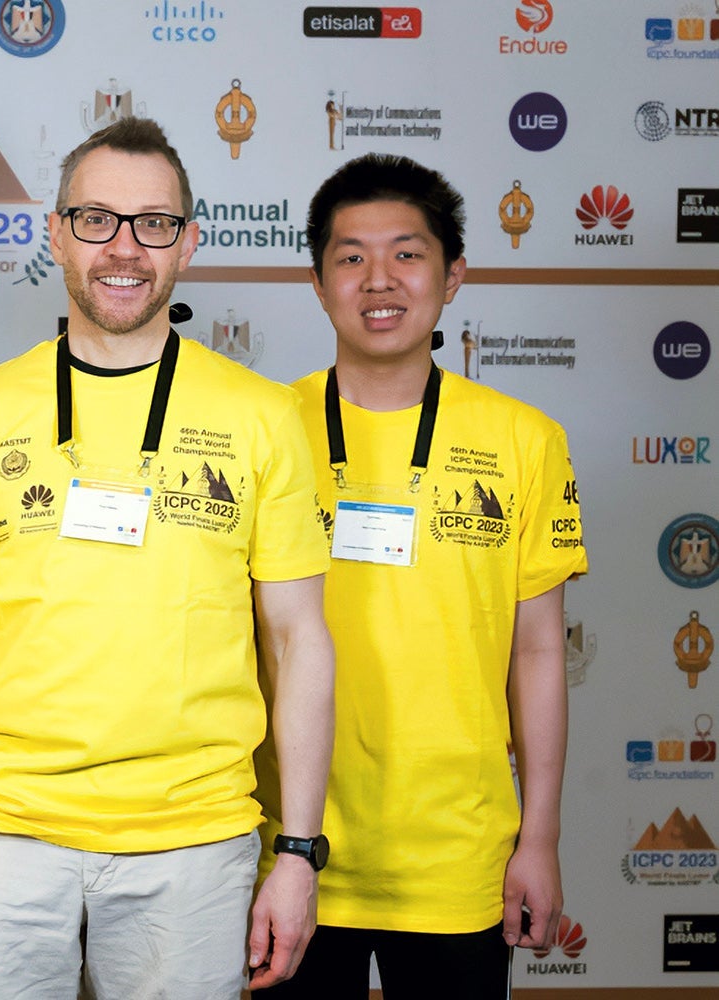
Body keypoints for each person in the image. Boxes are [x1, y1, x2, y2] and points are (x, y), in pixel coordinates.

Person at [0, 117, 337, 999]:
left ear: (189, 242)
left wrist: (297, 852)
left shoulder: (264, 416)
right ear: (55, 233)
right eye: (95, 220)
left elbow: (297, 639)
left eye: (153, 223)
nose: (124, 248)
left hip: (194, 842)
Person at [254, 153, 587, 999]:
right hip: (287, 851)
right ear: (319, 282)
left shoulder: (525, 440)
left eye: (407, 252)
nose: (379, 279)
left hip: (457, 855)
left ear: (453, 274)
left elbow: (540, 652)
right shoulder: (263, 428)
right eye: (351, 256)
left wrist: (538, 837)